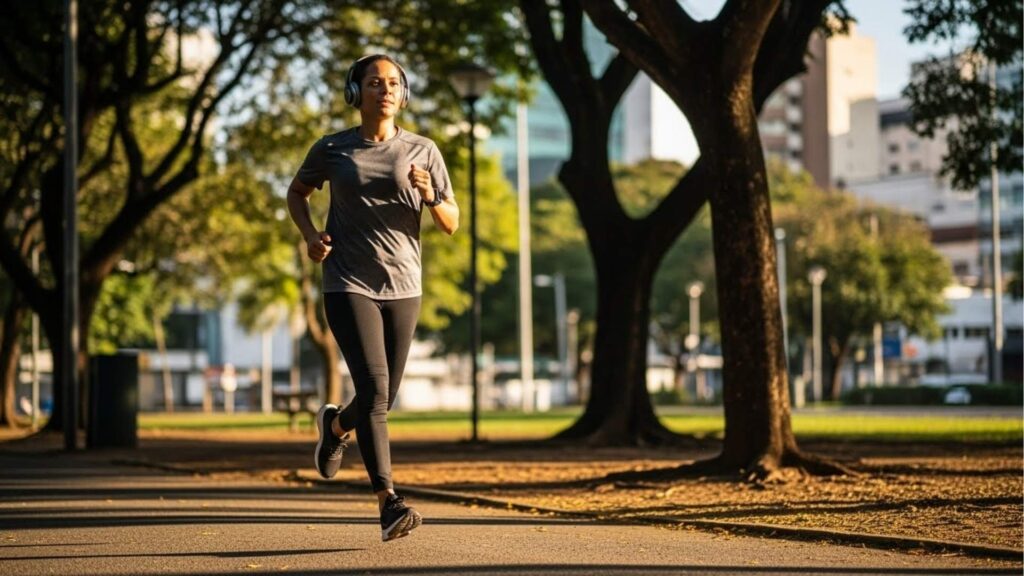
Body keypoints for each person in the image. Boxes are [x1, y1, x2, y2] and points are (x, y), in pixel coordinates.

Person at [286, 54, 459, 542]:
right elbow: (296, 193)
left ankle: (337, 426)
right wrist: (310, 235)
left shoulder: (424, 150)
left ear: (404, 94)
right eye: (374, 82)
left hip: (405, 285)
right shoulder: (333, 149)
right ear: (354, 91)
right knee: (378, 394)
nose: (385, 89)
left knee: (382, 397)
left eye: (393, 83)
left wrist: (431, 196)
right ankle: (389, 502)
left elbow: (451, 223)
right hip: (347, 282)